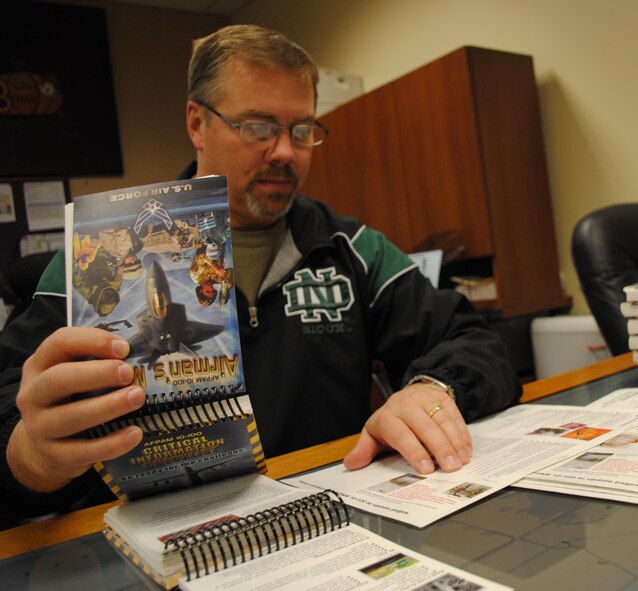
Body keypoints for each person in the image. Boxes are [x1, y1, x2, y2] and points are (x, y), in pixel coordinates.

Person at [0, 24, 521, 525]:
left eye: (301, 131)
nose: (285, 153)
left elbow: (475, 341)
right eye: (258, 127)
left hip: (327, 524)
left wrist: (433, 388)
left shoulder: (352, 248)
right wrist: (29, 456)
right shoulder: (94, 256)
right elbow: (8, 408)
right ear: (196, 123)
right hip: (144, 542)